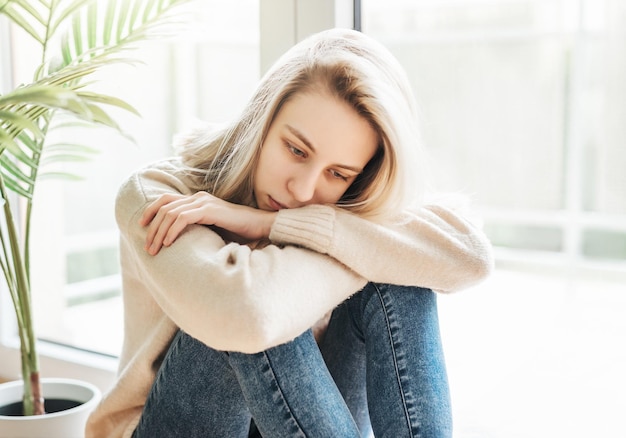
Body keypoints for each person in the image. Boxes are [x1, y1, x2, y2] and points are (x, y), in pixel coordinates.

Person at [86, 28, 493, 438]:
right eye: (296, 150)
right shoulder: (158, 193)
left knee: (403, 277)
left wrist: (273, 225)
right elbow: (247, 312)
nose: (302, 190)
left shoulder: (346, 204)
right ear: (262, 119)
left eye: (337, 174)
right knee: (254, 302)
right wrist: (363, 250)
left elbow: (471, 256)